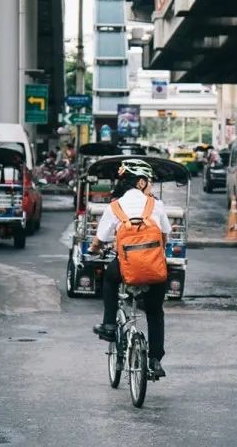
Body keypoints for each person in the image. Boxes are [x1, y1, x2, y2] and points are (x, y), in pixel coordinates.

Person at [89, 159, 171, 377]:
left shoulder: (114, 207)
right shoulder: (156, 205)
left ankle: (108, 325)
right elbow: (165, 237)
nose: (151, 186)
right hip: (154, 269)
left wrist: (95, 249)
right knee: (155, 312)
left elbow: (100, 240)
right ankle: (154, 360)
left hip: (126, 267)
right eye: (150, 182)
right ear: (142, 183)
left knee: (109, 278)